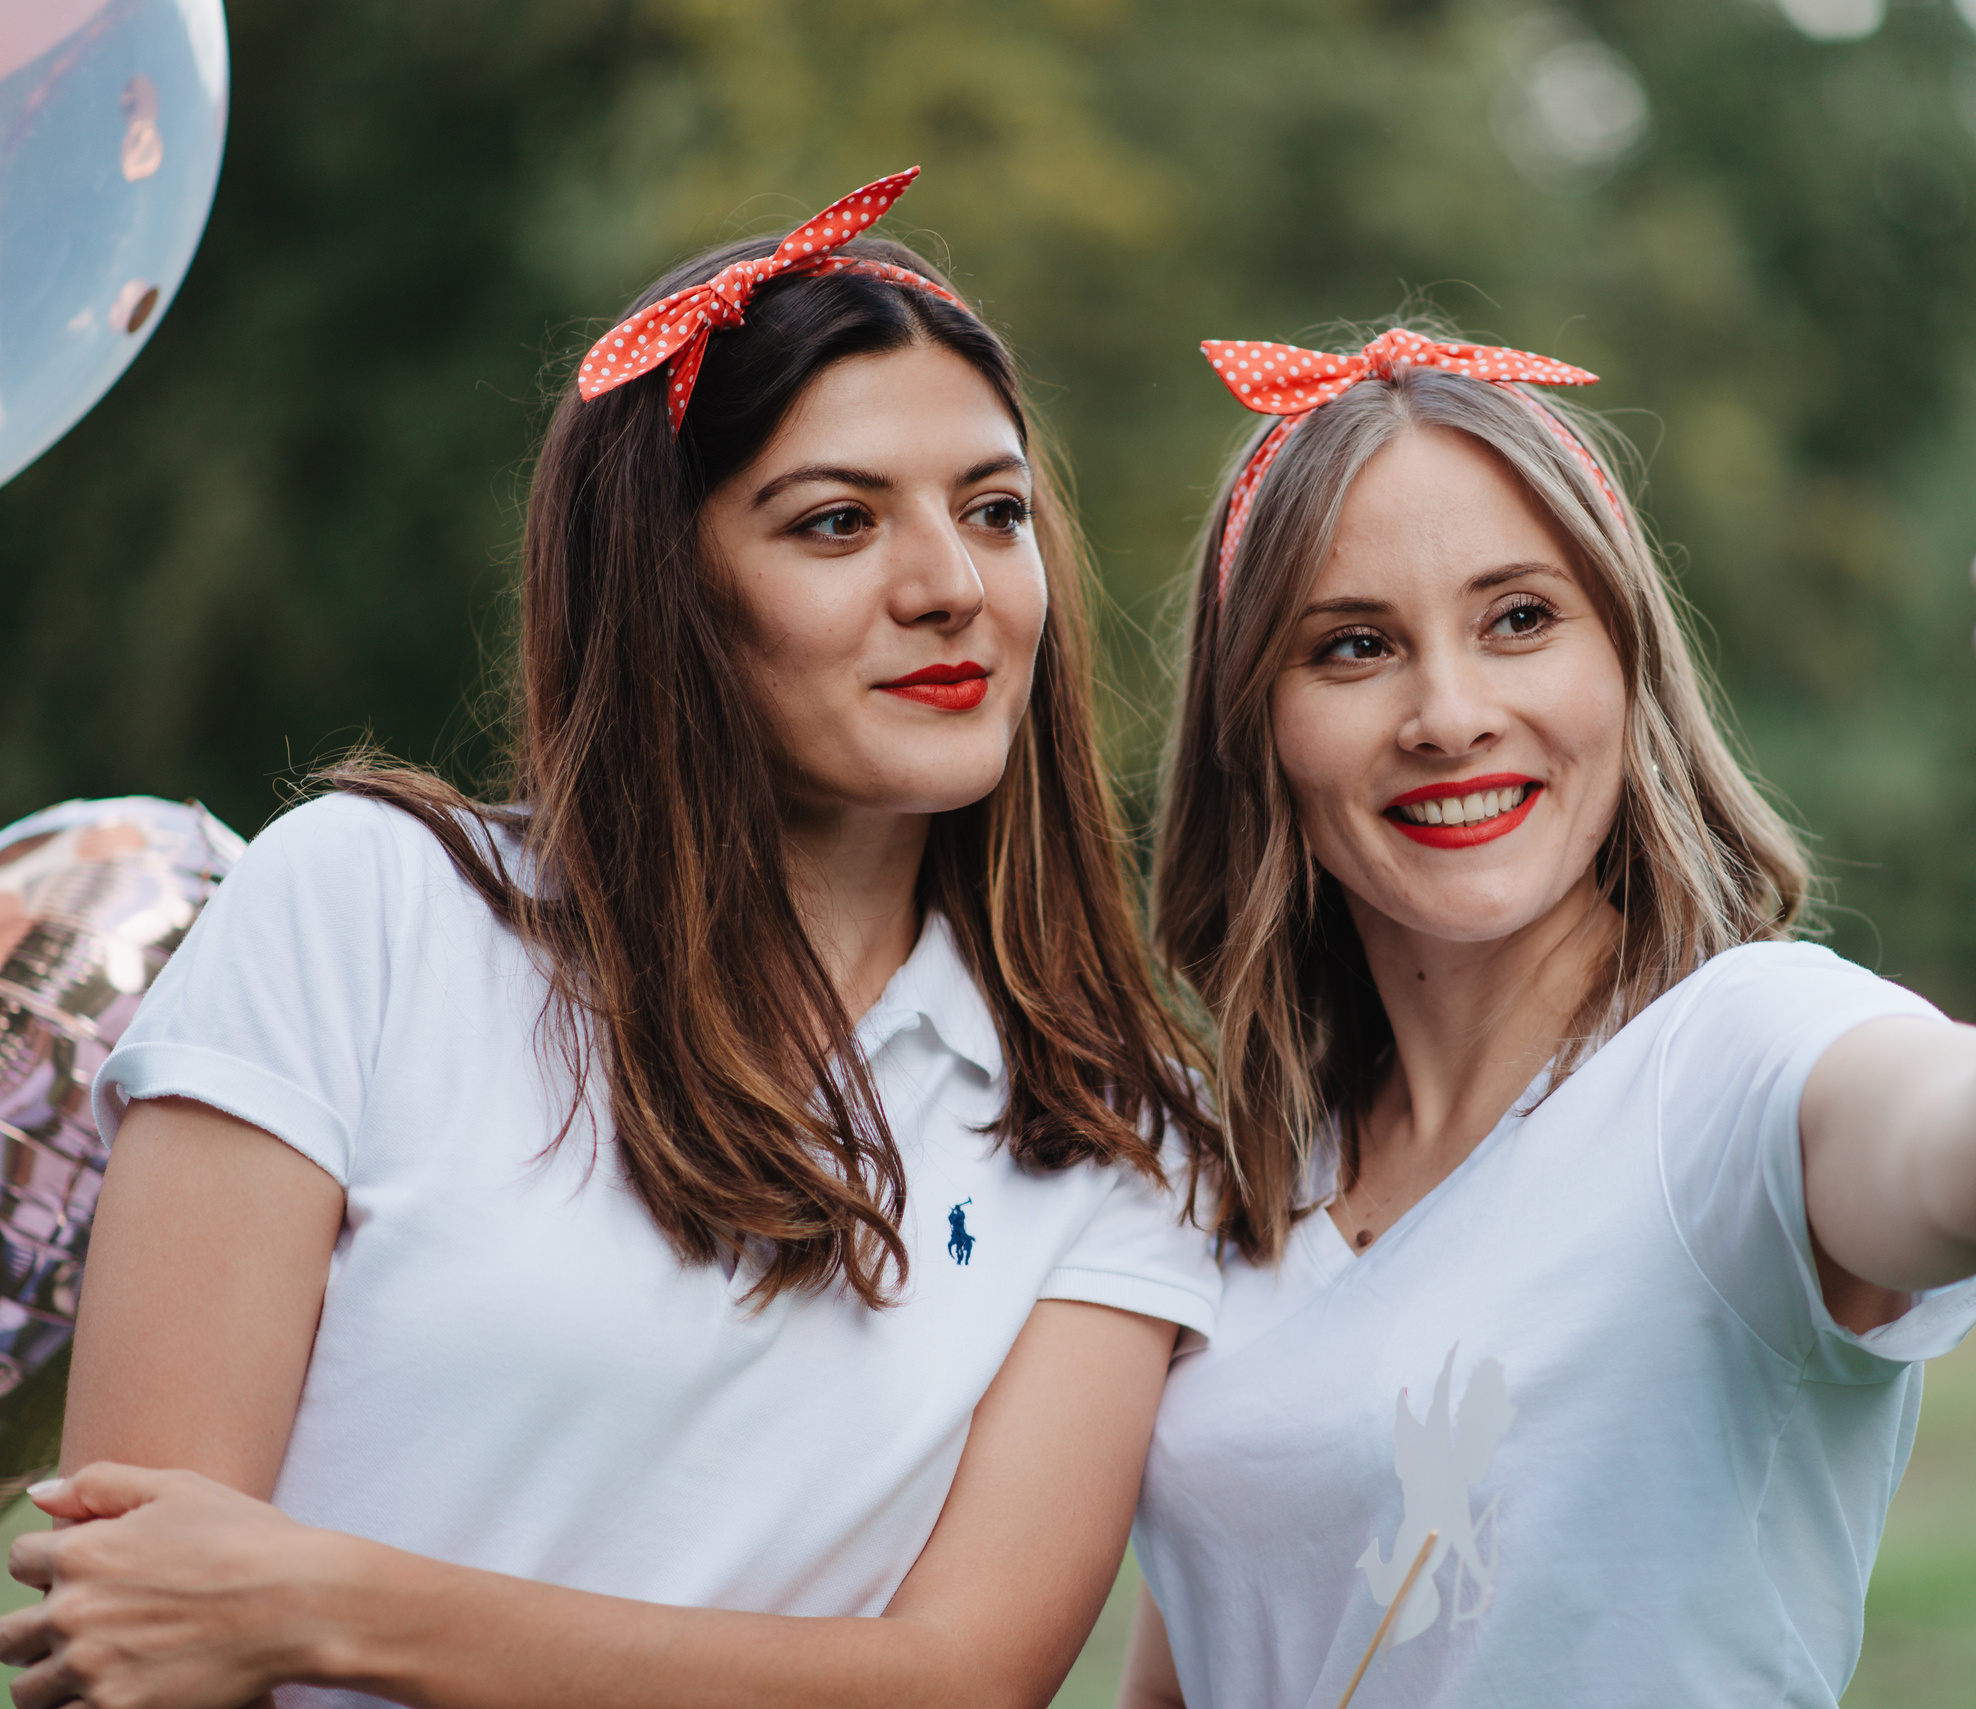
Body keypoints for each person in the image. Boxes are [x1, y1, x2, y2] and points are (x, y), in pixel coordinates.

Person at [0, 168, 1222, 1709]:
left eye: (994, 510)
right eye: (838, 523)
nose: (952, 586)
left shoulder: (1116, 1128)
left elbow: (959, 1680)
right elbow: (136, 1621)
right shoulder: (363, 908)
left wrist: (324, 1600)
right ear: (671, 583)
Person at [1117, 326, 1976, 1708]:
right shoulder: (1223, 1168)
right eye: (1354, 646)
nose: (1450, 711)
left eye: (1521, 618)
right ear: (1258, 723)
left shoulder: (1729, 1058)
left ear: (1627, 664)